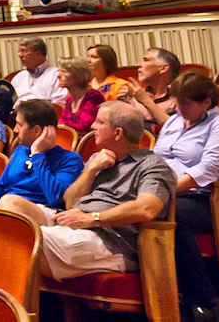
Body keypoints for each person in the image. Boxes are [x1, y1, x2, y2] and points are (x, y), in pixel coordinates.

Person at [24, 104, 176, 290]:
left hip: (111, 240)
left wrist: (92, 219)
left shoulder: (152, 165)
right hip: (77, 221)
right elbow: (70, 203)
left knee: (22, 235)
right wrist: (91, 169)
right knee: (10, 211)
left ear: (117, 133)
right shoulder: (99, 159)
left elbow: (147, 208)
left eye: (99, 122)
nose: (92, 126)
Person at [155, 72, 219, 319]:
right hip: (167, 191)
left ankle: (208, 300)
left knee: (171, 215)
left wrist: (163, 190)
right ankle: (165, 293)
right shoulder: (173, 122)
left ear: (206, 102)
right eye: (177, 102)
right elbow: (156, 158)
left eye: (186, 103)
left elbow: (208, 170)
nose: (179, 108)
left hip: (205, 198)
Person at [0, 98, 85, 215]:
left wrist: (38, 155)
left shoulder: (70, 159)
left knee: (9, 200)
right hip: (7, 208)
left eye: (19, 125)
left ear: (37, 131)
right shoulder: (20, 151)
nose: (15, 130)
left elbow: (56, 199)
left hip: (44, 212)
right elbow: (2, 185)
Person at [123, 47, 182, 127]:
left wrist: (146, 101)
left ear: (163, 68)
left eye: (146, 60)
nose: (138, 65)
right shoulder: (134, 97)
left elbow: (178, 128)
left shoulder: (181, 97)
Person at [55, 60, 104, 133]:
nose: (58, 75)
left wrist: (63, 127)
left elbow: (83, 126)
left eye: (64, 71)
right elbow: (62, 121)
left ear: (78, 75)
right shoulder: (70, 100)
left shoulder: (94, 97)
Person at [12, 37, 61, 103]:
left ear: (38, 53)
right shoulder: (19, 77)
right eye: (19, 51)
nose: (19, 55)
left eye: (24, 51)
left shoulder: (56, 75)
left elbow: (59, 104)